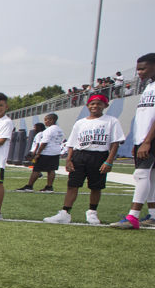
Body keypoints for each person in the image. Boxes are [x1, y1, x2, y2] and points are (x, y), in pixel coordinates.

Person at [44, 93, 125, 225]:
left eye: (99, 103)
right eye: (92, 103)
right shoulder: (80, 123)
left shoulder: (111, 121)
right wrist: (69, 159)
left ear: (105, 105)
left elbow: (115, 143)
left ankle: (92, 212)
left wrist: (109, 161)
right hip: (80, 155)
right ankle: (65, 213)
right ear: (88, 105)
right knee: (72, 185)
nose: (95, 106)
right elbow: (71, 143)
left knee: (96, 186)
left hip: (99, 155)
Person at [113, 54, 155, 228]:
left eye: (143, 68)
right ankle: (153, 215)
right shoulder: (149, 87)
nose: (139, 72)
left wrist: (146, 141)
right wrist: (137, 141)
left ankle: (133, 217)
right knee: (151, 178)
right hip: (143, 139)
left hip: (151, 139)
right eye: (138, 69)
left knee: (141, 175)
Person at [16, 114, 64, 193]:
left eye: (46, 120)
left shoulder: (49, 130)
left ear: (51, 120)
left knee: (36, 169)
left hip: (46, 152)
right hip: (55, 152)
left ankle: (29, 186)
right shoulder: (59, 130)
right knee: (51, 170)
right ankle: (49, 187)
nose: (45, 122)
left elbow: (44, 143)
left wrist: (38, 154)